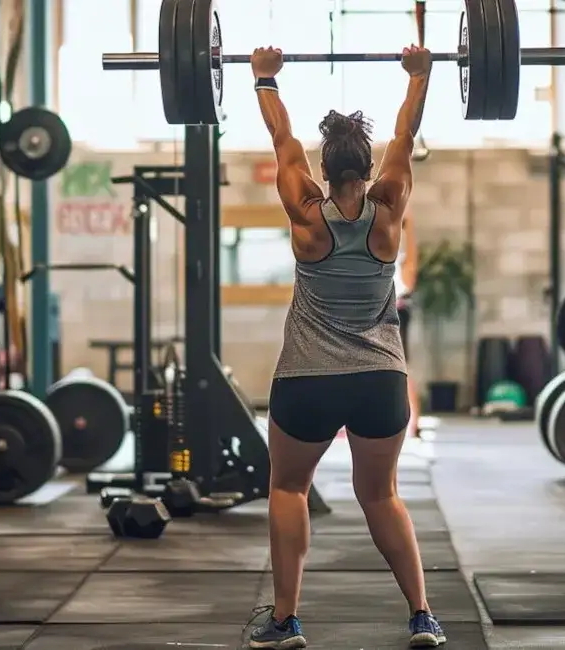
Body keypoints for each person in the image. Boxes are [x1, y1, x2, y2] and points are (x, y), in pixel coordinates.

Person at [246, 45, 446, 650]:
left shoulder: (306, 214)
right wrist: (419, 76)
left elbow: (283, 141)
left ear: (324, 173)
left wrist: (264, 80)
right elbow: (406, 135)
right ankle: (422, 616)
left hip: (306, 381)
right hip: (380, 381)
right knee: (381, 495)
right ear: (370, 170)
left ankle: (285, 621)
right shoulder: (389, 212)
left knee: (288, 489)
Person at [396, 212, 422, 439]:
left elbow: (409, 278)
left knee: (401, 368)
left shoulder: (400, 249)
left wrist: (409, 225)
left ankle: (413, 423)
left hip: (394, 310)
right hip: (373, 309)